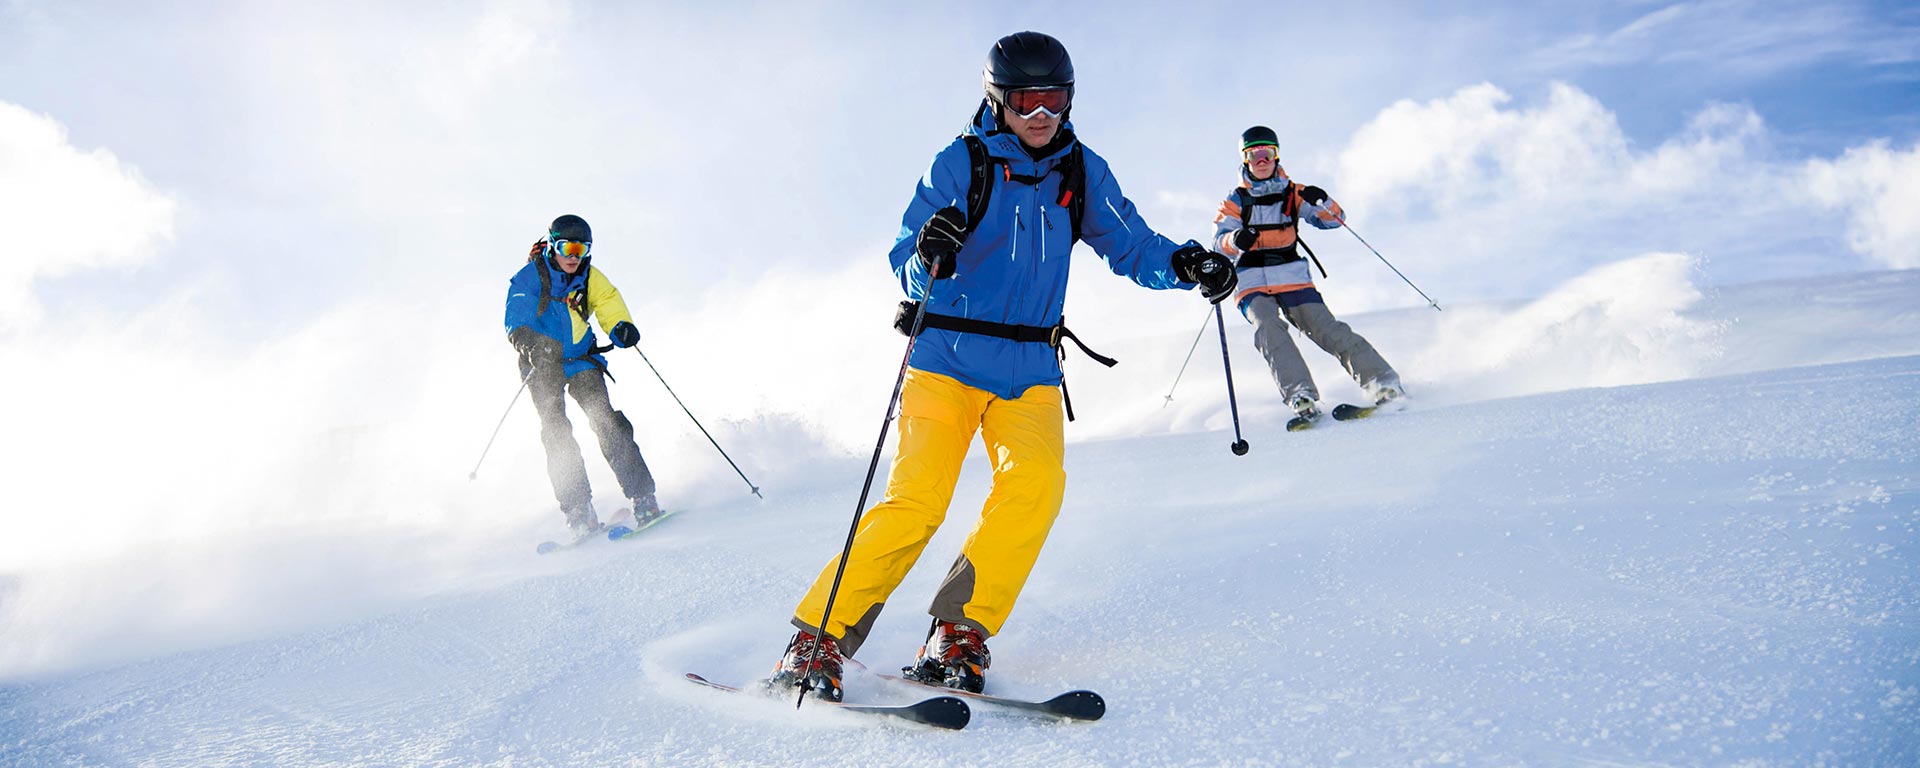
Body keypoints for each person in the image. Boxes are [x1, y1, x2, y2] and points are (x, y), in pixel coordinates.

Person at [766, 31, 1238, 702]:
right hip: (945, 359)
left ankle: (956, 631)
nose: (1042, 115)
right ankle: (816, 638)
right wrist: (931, 247)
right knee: (917, 502)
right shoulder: (961, 163)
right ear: (999, 100)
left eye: (1054, 99)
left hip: (1031, 367)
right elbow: (907, 254)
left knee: (1037, 488)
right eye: (1026, 101)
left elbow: (1131, 244)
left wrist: (1186, 264)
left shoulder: (1081, 170)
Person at [1212, 126, 1403, 418]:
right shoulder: (1235, 200)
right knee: (1268, 329)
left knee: (1327, 329)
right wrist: (1235, 240)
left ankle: (1384, 384)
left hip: (1292, 277)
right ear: (1245, 160)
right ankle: (1300, 395)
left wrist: (1323, 201)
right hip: (1251, 282)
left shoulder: (1294, 192)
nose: (1262, 160)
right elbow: (1218, 242)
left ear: (1276, 156)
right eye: (1254, 155)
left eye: (1267, 153)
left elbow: (1333, 220)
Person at [503, 214, 663, 539]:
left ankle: (643, 498)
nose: (574, 255)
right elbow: (516, 317)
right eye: (567, 247)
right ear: (552, 246)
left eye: (581, 248)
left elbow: (608, 302)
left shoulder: (590, 277)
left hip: (580, 360)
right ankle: (579, 512)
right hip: (542, 363)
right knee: (556, 432)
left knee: (606, 421)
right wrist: (532, 343)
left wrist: (621, 327)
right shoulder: (530, 277)